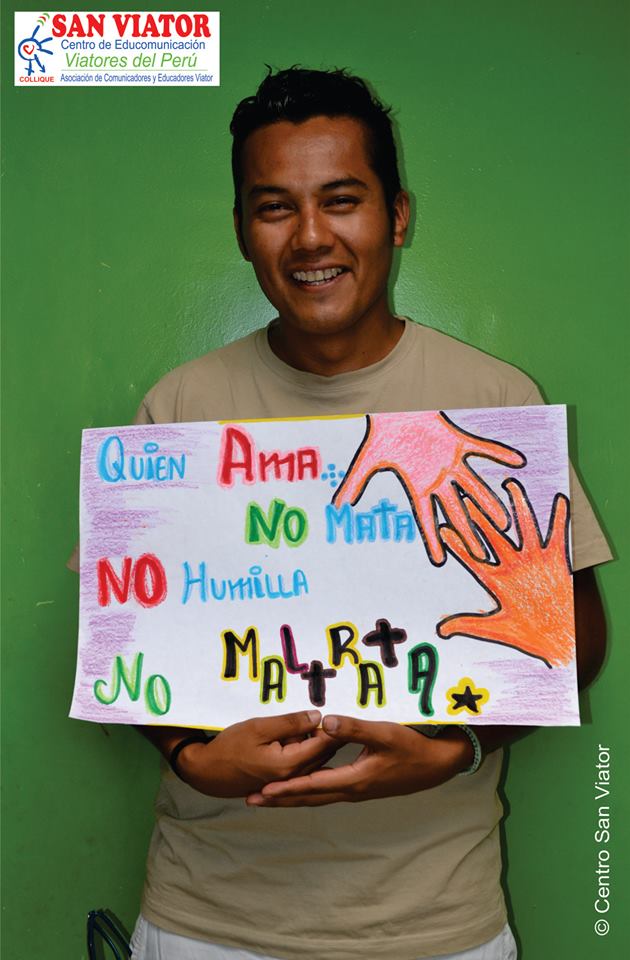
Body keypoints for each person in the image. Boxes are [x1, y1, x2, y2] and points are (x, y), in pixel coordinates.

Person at [117, 68, 610, 959]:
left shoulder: (492, 403)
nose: (311, 236)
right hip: (207, 919)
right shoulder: (178, 410)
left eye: (341, 199)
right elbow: (121, 642)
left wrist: (458, 748)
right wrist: (187, 755)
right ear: (241, 228)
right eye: (274, 207)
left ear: (399, 215)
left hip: (437, 924)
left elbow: (579, 635)